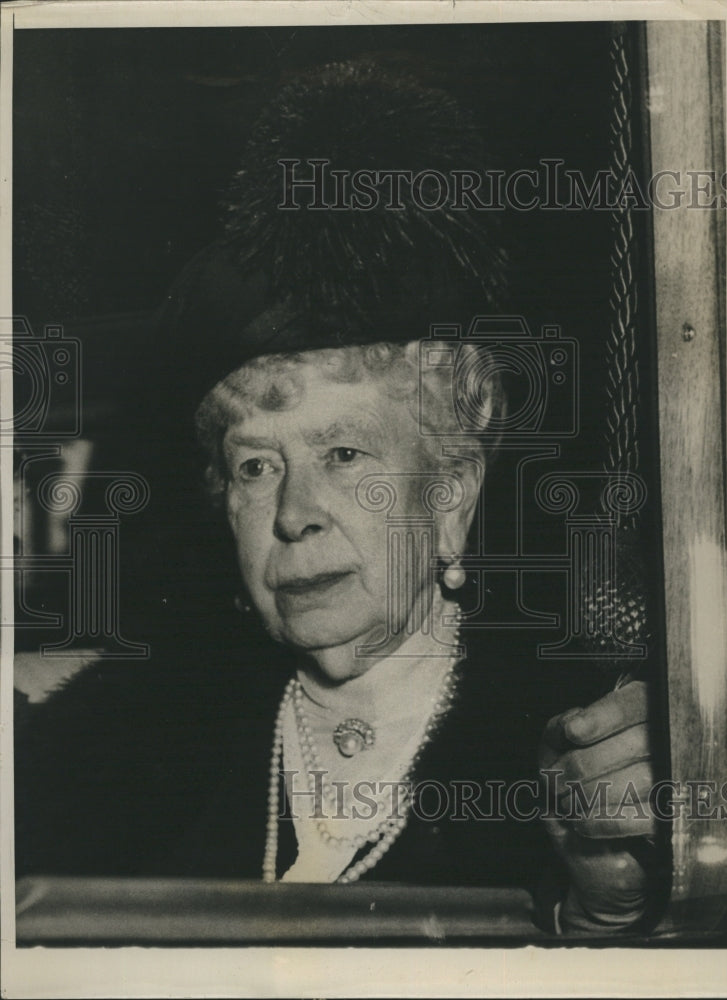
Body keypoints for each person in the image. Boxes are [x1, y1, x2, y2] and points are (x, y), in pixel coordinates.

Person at [14, 60, 660, 935]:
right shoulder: (138, 741)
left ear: (454, 494)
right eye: (255, 466)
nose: (292, 513)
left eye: (345, 452)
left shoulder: (592, 744)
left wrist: (606, 909)